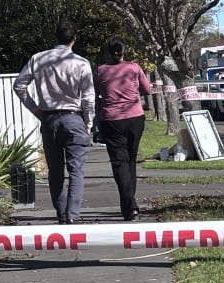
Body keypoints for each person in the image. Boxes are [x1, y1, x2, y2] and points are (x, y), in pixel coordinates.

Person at [13, 20, 95, 225]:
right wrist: (89, 121)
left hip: (49, 118)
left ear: (56, 36)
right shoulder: (81, 63)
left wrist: (36, 109)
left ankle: (61, 214)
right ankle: (72, 215)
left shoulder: (38, 59)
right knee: (76, 170)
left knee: (55, 170)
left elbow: (19, 86)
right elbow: (88, 97)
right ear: (74, 39)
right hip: (73, 117)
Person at [95, 37, 153, 221]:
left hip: (112, 119)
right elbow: (148, 89)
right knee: (131, 160)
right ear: (124, 51)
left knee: (119, 163)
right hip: (135, 117)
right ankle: (130, 204)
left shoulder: (100, 71)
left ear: (108, 52)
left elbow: (96, 92)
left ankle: (129, 205)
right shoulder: (134, 68)